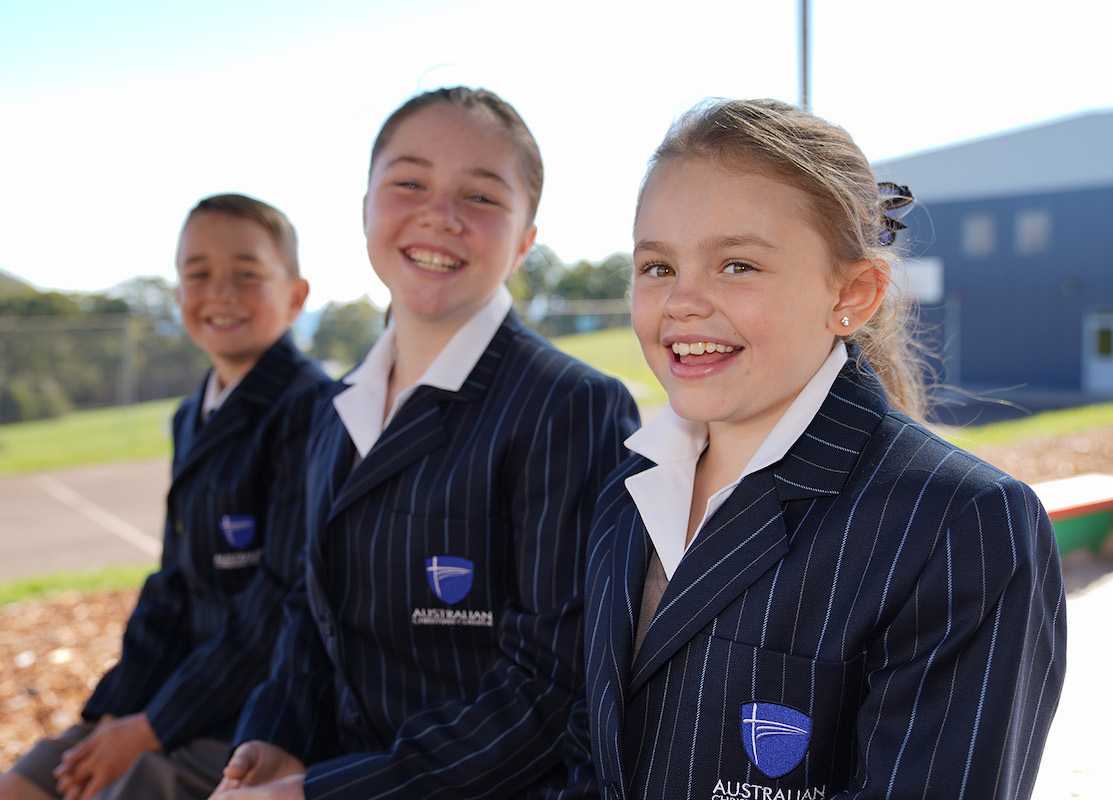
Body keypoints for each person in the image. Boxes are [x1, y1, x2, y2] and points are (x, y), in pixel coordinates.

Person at [583, 99, 1066, 800]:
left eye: (736, 265)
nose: (682, 302)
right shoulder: (628, 487)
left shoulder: (960, 526)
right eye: (657, 267)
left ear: (853, 292)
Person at [211, 87, 640, 800]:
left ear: (525, 238)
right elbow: (307, 611)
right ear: (365, 207)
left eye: (480, 197)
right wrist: (274, 734)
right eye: (408, 183)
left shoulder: (573, 407)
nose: (439, 216)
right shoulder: (335, 406)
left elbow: (552, 688)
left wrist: (324, 793)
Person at [0, 193, 329, 800]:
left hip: (258, 713)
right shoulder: (189, 417)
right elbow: (172, 586)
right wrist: (110, 716)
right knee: (28, 782)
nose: (221, 293)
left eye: (246, 274)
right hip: (177, 692)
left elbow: (281, 607)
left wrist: (151, 728)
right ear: (177, 292)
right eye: (198, 274)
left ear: (296, 296)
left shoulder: (313, 409)